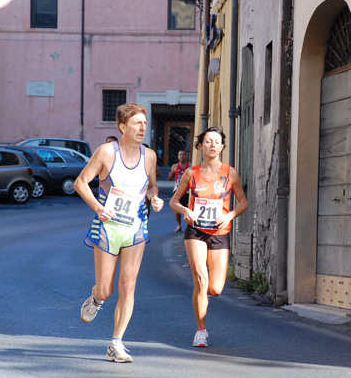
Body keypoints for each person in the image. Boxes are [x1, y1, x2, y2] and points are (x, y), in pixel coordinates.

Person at [74, 103, 164, 363]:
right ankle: (96, 298)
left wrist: (155, 198)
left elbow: (152, 185)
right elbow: (81, 182)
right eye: (137, 123)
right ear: (122, 127)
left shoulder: (149, 156)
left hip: (136, 228)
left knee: (128, 285)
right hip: (107, 228)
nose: (142, 127)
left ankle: (116, 343)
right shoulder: (106, 152)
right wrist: (98, 207)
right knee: (106, 290)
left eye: (144, 123)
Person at [169, 127, 248, 347]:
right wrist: (186, 211)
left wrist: (230, 215)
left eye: (216, 142)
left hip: (220, 233)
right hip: (196, 231)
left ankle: (206, 299)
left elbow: (243, 202)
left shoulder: (230, 173)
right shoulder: (190, 173)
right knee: (201, 280)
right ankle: (201, 330)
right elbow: (174, 201)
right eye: (208, 141)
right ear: (200, 146)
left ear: (222, 146)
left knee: (215, 288)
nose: (212, 145)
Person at [168, 150, 191, 232]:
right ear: (178, 156)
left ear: (186, 156)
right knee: (177, 208)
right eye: (180, 155)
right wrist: (170, 176)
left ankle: (189, 225)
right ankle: (179, 225)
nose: (181, 156)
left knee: (189, 207)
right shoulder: (174, 166)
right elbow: (170, 179)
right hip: (177, 189)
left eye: (183, 155)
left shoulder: (190, 166)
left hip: (187, 190)